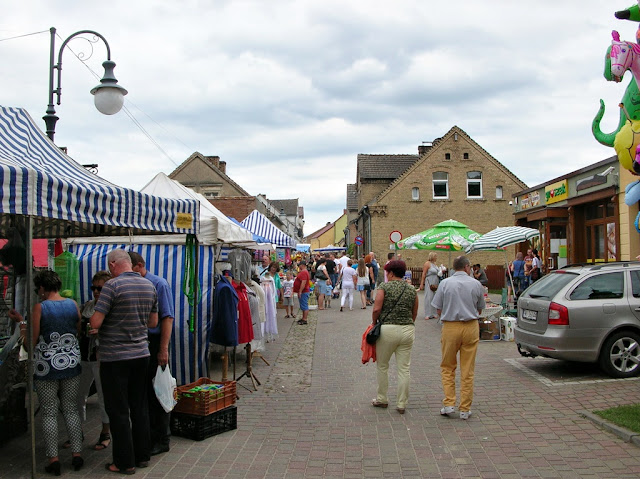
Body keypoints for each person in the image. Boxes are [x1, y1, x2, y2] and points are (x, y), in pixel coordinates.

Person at [9, 270, 84, 476]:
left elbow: (30, 342)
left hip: (47, 367)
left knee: (49, 411)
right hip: (71, 363)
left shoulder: (40, 308)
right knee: (71, 408)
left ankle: (54, 459)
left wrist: (21, 325)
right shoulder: (72, 305)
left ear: (42, 288)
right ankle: (77, 454)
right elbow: (77, 330)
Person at [90, 249, 158, 474]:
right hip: (141, 354)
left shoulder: (112, 286)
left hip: (115, 358)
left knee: (118, 410)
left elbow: (96, 322)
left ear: (112, 265)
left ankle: (123, 462)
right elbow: (152, 322)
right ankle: (142, 455)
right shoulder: (149, 285)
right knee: (139, 407)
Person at [128, 251, 175, 457]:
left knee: (158, 392)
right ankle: (146, 436)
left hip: (155, 342)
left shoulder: (158, 284)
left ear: (139, 266)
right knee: (143, 392)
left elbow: (167, 318)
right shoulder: (132, 284)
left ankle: (161, 438)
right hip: (139, 343)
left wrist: (163, 349)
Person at [431, 255, 485, 420]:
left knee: (448, 366)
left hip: (450, 326)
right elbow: (480, 309)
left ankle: (449, 403)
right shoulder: (476, 284)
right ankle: (465, 408)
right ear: (467, 267)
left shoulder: (445, 283)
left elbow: (438, 308)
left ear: (454, 268)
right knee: (468, 368)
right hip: (470, 326)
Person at [370, 260, 418, 414]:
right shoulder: (411, 289)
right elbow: (414, 311)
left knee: (383, 366)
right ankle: (401, 403)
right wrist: (408, 323)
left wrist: (374, 322)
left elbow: (377, 308)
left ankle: (382, 398)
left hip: (387, 329)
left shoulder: (384, 287)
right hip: (407, 329)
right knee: (404, 368)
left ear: (390, 273)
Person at [76, 270, 112, 452]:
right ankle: (76, 432)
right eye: (94, 288)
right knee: (78, 395)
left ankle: (105, 432)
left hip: (102, 356)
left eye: (100, 288)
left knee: (103, 396)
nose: (96, 291)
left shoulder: (111, 307)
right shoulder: (86, 307)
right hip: (83, 356)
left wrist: (101, 332)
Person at [419, 252, 440, 320]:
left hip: (435, 280)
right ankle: (427, 313)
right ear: (432, 257)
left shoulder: (435, 264)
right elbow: (424, 274)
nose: (436, 258)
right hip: (429, 280)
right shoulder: (427, 263)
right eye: (435, 256)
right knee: (428, 297)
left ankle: (434, 313)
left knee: (434, 297)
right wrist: (422, 284)